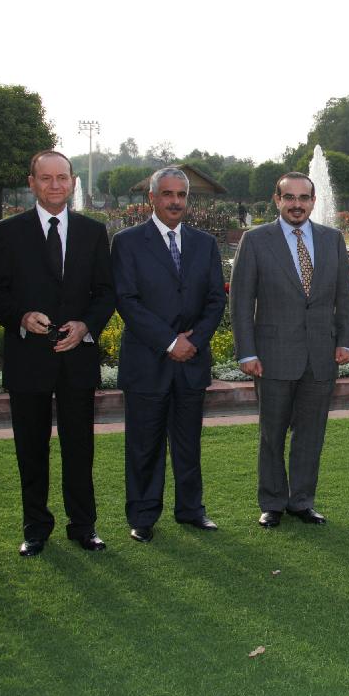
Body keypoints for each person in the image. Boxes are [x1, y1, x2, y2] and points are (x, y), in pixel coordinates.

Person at [0, 150, 115, 556]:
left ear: (73, 182)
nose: (55, 185)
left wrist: (86, 325)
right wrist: (21, 317)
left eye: (62, 178)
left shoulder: (93, 232)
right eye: (46, 178)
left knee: (80, 449)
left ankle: (84, 526)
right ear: (32, 183)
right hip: (28, 360)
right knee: (31, 450)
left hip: (77, 360)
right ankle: (36, 528)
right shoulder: (7, 232)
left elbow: (105, 291)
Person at [229, 172, 349, 528]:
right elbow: (241, 301)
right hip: (272, 356)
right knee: (272, 434)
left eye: (303, 198)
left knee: (311, 434)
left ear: (313, 201)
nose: (296, 204)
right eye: (289, 197)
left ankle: (301, 501)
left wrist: (345, 341)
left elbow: (344, 296)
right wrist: (246, 352)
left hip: (321, 355)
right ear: (277, 200)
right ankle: (272, 502)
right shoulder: (256, 240)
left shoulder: (332, 239)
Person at [111, 168, 226, 543]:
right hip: (147, 361)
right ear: (152, 198)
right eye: (167, 194)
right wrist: (169, 342)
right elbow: (126, 300)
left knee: (188, 444)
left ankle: (191, 510)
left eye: (181, 195)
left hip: (192, 361)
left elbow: (216, 299)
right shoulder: (127, 242)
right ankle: (143, 515)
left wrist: (194, 341)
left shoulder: (204, 243)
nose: (175, 201)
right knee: (144, 445)